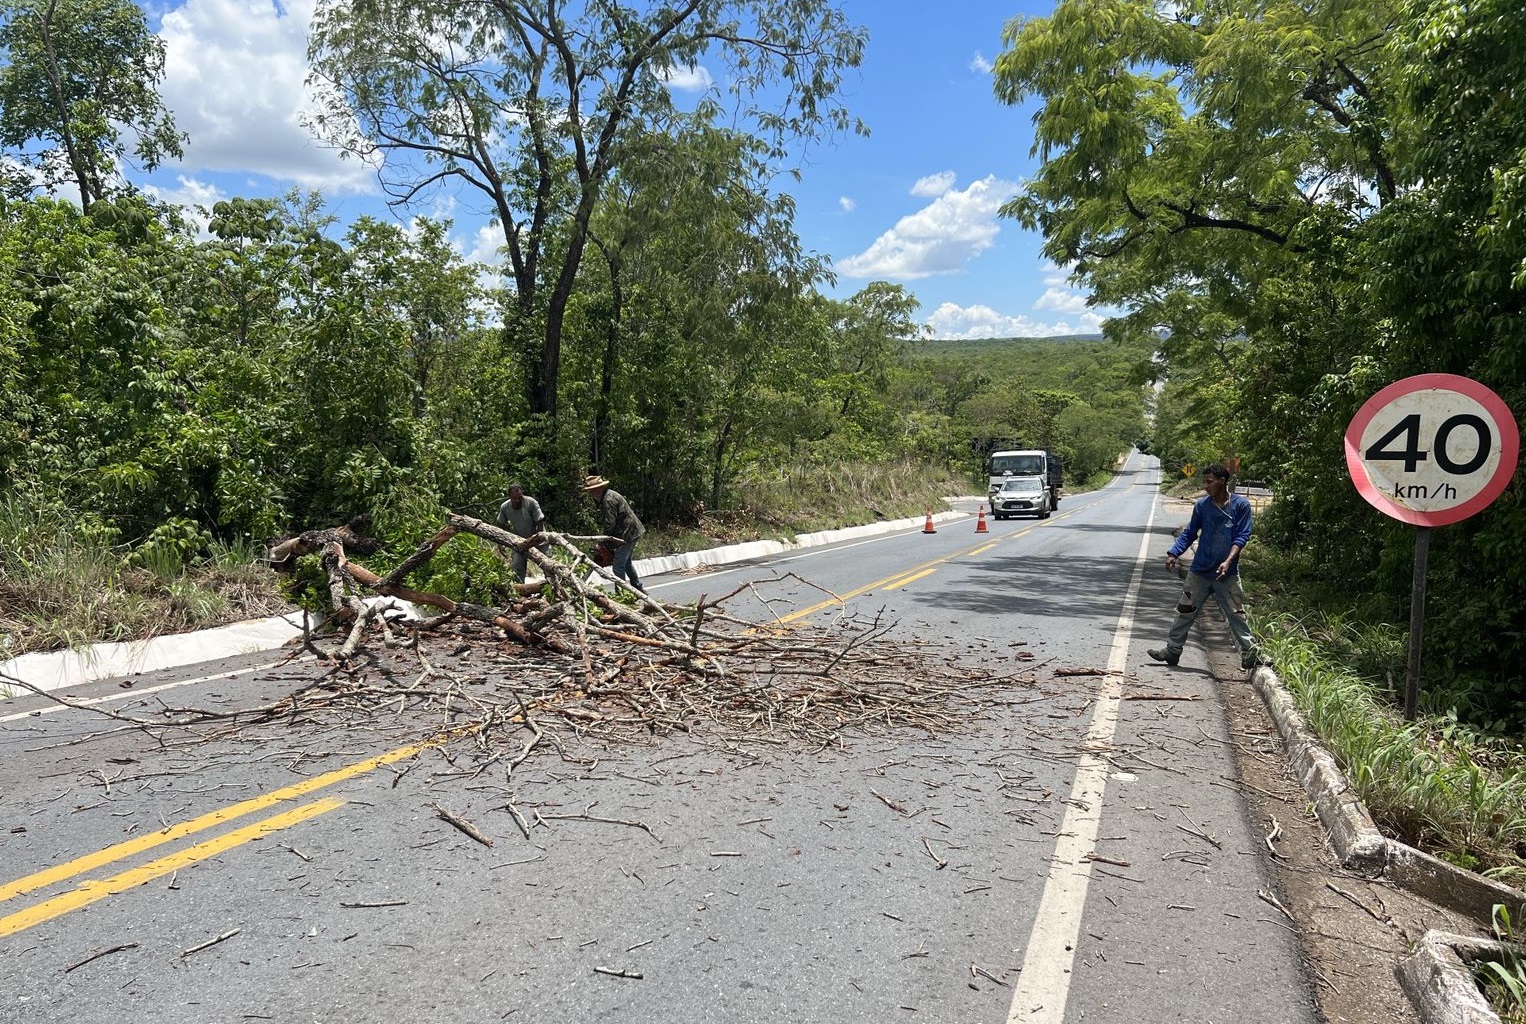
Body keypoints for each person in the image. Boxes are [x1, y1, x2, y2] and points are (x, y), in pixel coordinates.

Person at [1147, 464, 1267, 671]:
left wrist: (1228, 561)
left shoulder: (1241, 506)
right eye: (1204, 482)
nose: (1205, 486)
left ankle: (1250, 654)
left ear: (1222, 481)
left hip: (1226, 575)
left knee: (1236, 614)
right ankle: (1172, 651)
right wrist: (1173, 553)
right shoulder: (1202, 506)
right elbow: (1190, 532)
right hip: (1200, 571)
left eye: (1209, 481)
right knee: (1185, 611)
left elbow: (1242, 536)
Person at [583, 474, 646, 593]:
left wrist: (602, 542)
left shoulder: (608, 500)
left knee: (618, 566)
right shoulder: (608, 495)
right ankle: (637, 587)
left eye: (591, 491)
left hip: (627, 533)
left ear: (598, 489)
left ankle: (621, 593)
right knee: (626, 563)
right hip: (630, 531)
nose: (590, 494)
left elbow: (609, 523)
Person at [494, 483, 546, 583]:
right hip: (520, 540)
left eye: (519, 497)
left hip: (539, 539)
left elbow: (539, 522)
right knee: (517, 568)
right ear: (509, 497)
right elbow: (500, 525)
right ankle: (520, 591)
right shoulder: (505, 507)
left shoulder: (531, 503)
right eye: (514, 498)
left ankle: (553, 587)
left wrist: (535, 540)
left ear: (522, 494)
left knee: (548, 565)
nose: (517, 500)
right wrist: (499, 544)